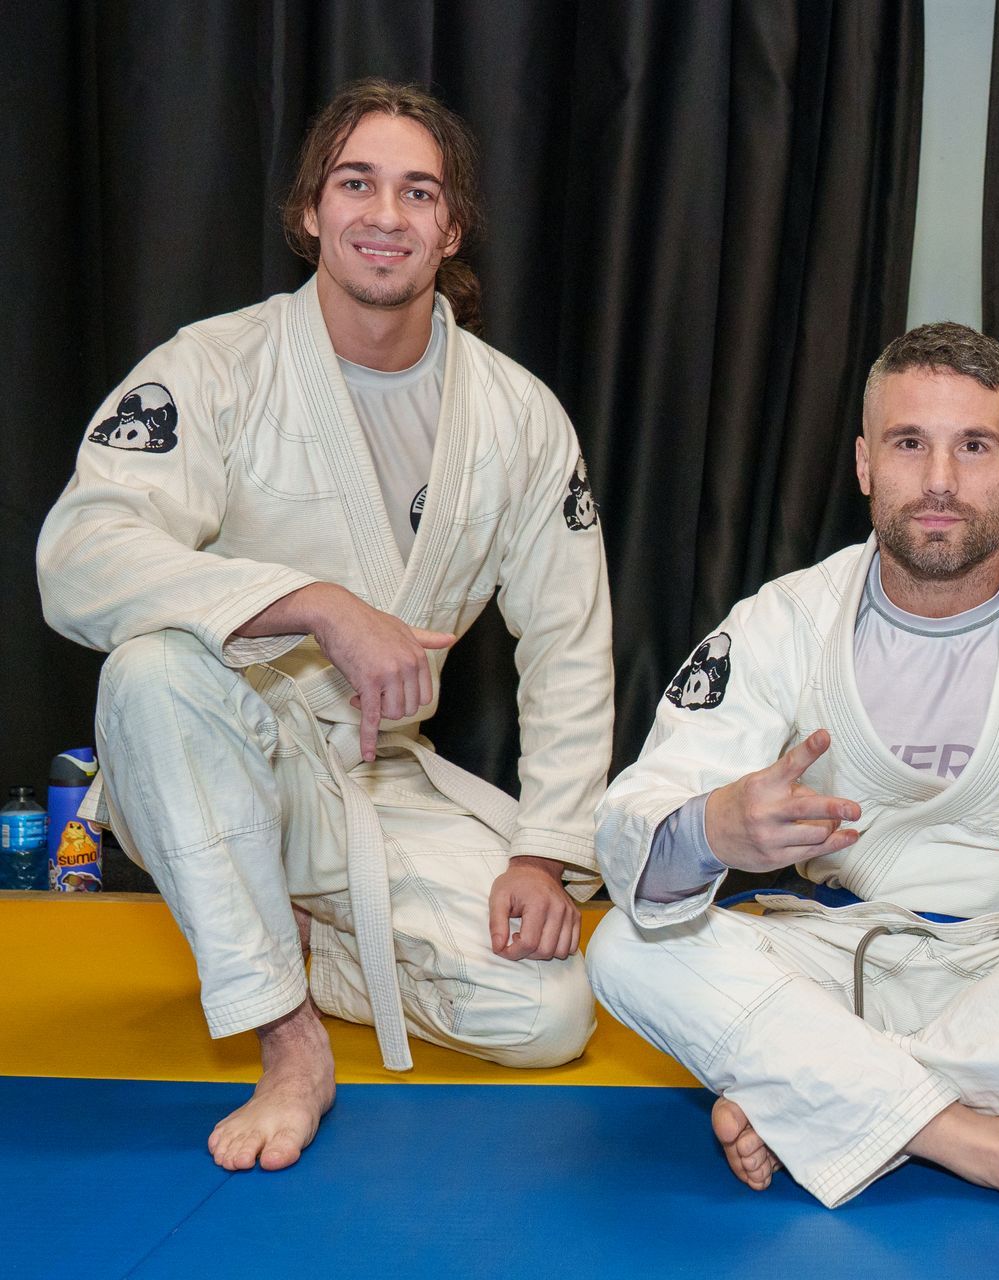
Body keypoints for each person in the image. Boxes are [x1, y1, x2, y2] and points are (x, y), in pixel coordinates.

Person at [36, 79, 612, 1173]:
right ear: (310, 210)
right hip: (220, 747)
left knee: (548, 1016)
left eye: (417, 190)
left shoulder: (519, 416)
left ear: (451, 227)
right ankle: (289, 1038)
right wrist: (316, 605)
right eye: (356, 183)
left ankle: (279, 933)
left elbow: (569, 643)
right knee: (152, 667)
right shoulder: (211, 370)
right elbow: (77, 557)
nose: (384, 214)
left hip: (379, 777)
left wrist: (547, 852)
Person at [587, 323, 999, 1220]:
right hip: (826, 956)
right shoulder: (784, 621)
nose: (940, 480)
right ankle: (976, 1141)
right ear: (865, 463)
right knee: (627, 948)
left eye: (974, 446)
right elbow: (633, 824)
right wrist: (715, 829)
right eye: (910, 444)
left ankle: (824, 1101)